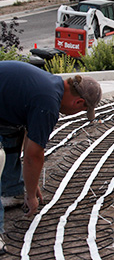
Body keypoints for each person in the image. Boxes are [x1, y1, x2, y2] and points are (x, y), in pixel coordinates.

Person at [0, 60, 102, 254]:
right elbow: (33, 156)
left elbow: (30, 141)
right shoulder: (48, 104)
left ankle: (11, 191)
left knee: (13, 131)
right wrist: (31, 195)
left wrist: (31, 181)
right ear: (78, 102)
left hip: (4, 111)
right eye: (82, 110)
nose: (77, 113)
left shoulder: (52, 86)